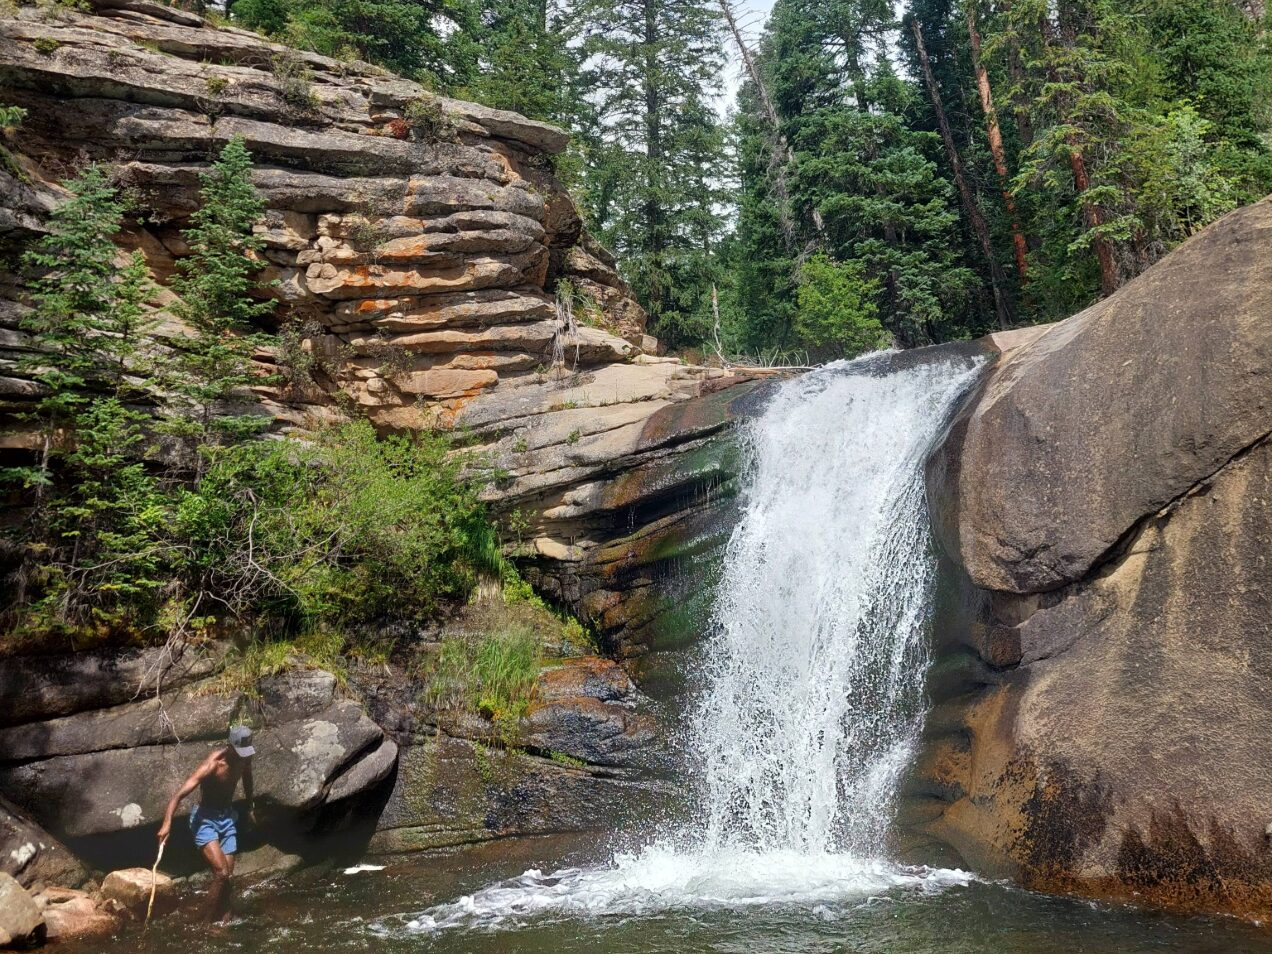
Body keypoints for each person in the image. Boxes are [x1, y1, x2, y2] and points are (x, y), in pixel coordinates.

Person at [157, 724, 257, 922]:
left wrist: (250, 806)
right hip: (205, 819)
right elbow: (178, 795)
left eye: (245, 752)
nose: (242, 756)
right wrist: (167, 823)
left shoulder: (245, 757)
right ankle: (203, 923)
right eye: (239, 752)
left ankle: (226, 917)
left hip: (227, 817)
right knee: (221, 873)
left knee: (228, 876)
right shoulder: (212, 765)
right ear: (230, 746)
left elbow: (247, 779)